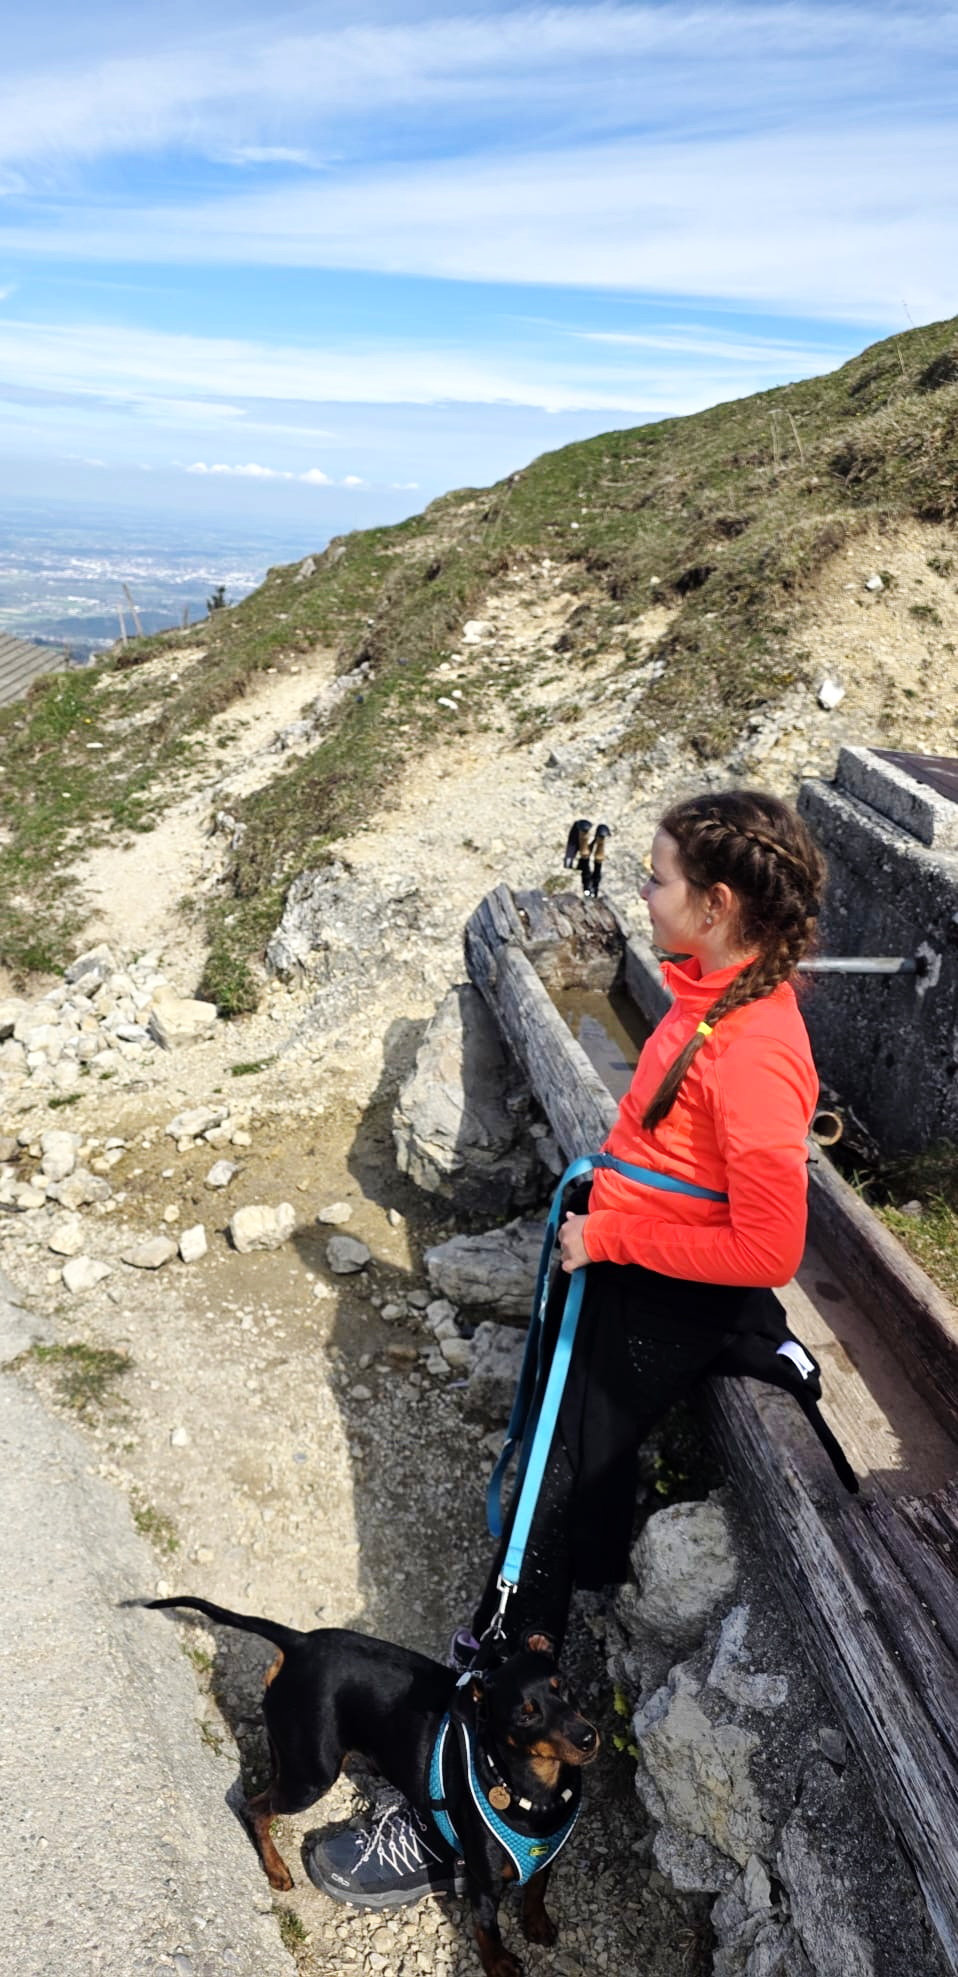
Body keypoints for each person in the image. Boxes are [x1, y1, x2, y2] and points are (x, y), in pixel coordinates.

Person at [309, 787, 827, 1908]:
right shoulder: (713, 993)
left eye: (658, 876)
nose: (640, 889)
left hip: (648, 1307)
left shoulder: (754, 1047)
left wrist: (614, 1234)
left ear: (717, 903)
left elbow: (768, 1244)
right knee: (540, 1510)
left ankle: (464, 1806)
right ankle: (501, 1711)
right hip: (620, 1285)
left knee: (534, 1541)